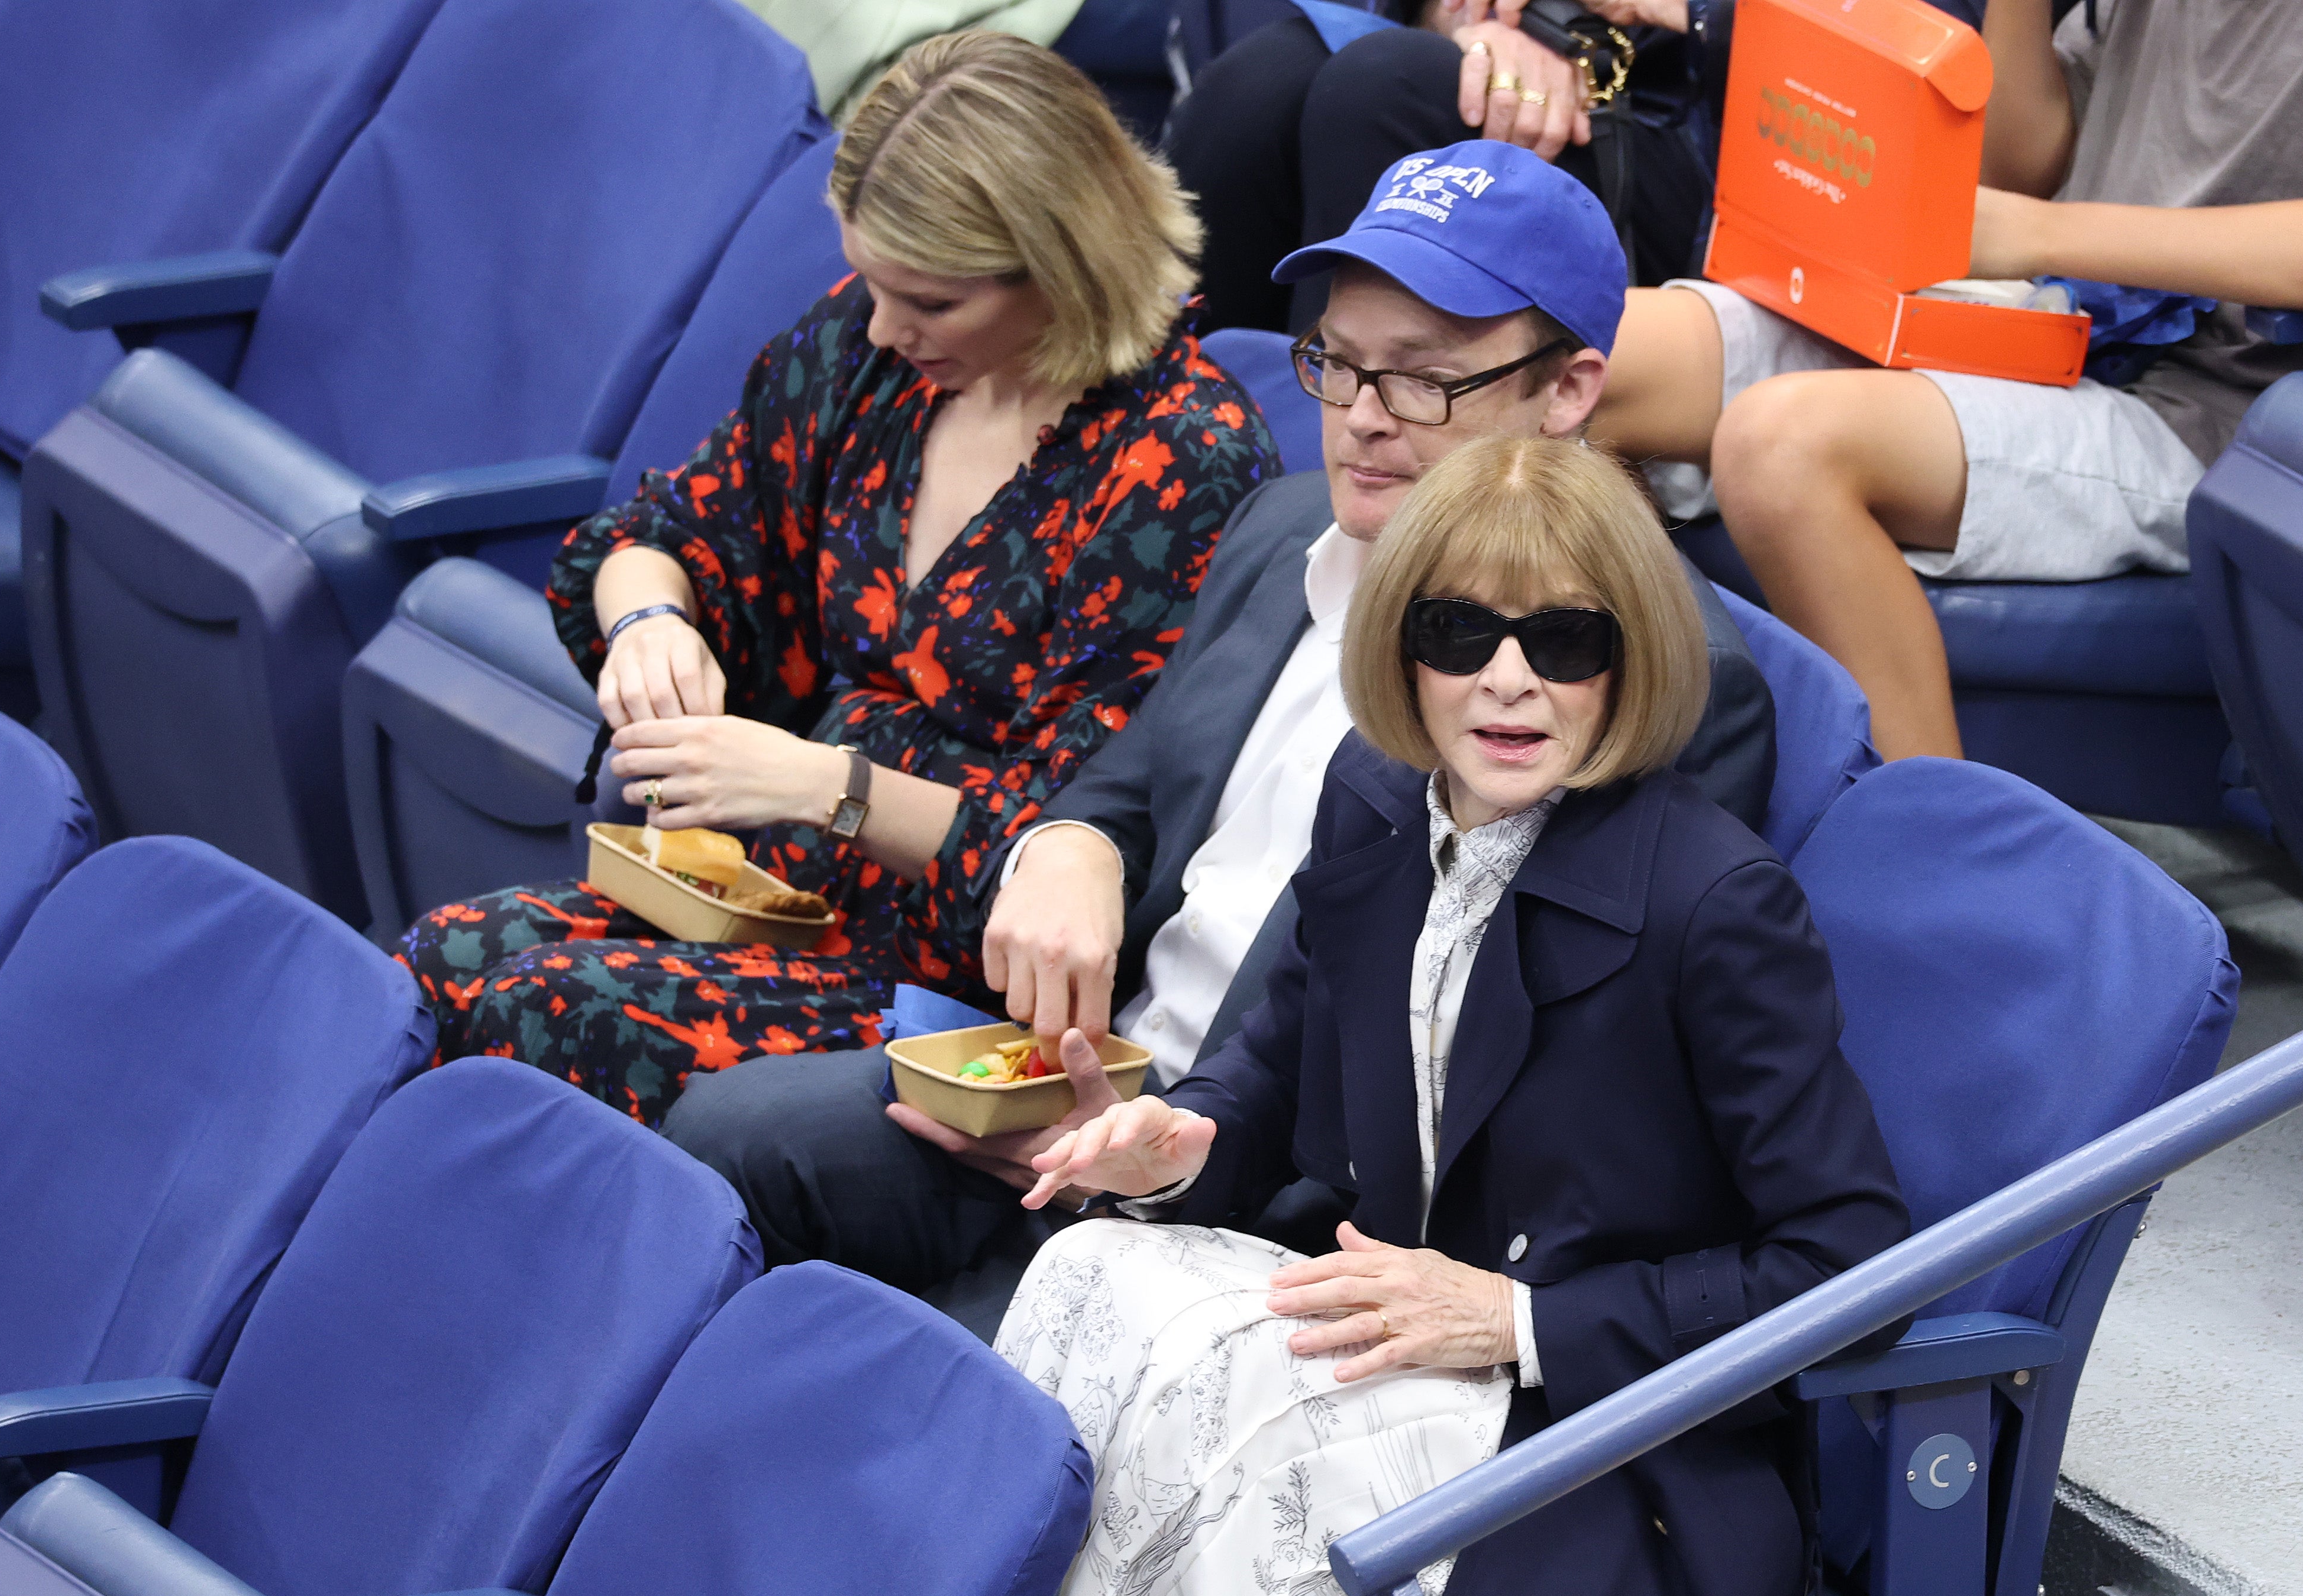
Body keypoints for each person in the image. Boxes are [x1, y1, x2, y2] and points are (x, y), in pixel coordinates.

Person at [661, 140, 1779, 1287]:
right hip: (1074, 1085)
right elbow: (1131, 779)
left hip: (1266, 1205)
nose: (1361, 419)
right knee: (711, 1140)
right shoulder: (1280, 526)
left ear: (1567, 392)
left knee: (902, 1392)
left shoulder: (1644, 671)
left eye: (1422, 379)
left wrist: (1163, 1147)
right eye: (1335, 364)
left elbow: (1484, 1068)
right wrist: (1070, 845)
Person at [985, 434, 1909, 1596]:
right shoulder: (1373, 794)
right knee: (1084, 1272)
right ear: (1399, 648)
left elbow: (1851, 1268)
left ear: (1629, 653)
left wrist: (1518, 1321)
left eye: (1564, 641)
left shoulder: (1715, 904)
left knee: (1226, 1428)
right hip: (1400, 1335)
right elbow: (1289, 1041)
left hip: (1592, 1429)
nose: (1507, 682)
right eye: (1458, 631)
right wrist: (1182, 1141)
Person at [394, 31, 1278, 1123]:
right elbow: (671, 526)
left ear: (1065, 266)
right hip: (780, 898)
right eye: (869, 282)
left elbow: (1089, 842)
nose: (884, 326)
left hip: (963, 991)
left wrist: (827, 786)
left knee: (550, 1010)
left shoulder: (1181, 460)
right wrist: (652, 619)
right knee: (434, 963)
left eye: (932, 301)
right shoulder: (871, 357)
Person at [1586, 0, 2303, 761]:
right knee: (1581, 353)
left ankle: (1935, 884)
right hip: (2037, 325)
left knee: (1779, 447)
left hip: (2203, 417)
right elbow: (2017, 160)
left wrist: (2037, 233)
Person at [1168, 1, 1721, 332]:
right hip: (1518, 37)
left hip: (1697, 126)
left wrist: (1697, 13)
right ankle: (1204, 440)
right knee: (1263, 82)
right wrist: (1464, 19)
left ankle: (1340, 463)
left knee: (1393, 80)